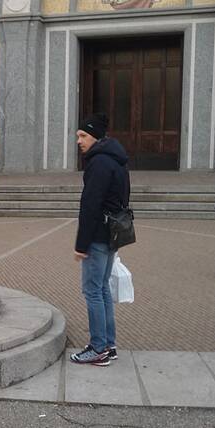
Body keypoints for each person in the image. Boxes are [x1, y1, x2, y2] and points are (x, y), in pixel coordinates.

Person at [71, 112, 130, 367]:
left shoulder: (98, 163)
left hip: (97, 235)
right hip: (112, 233)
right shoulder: (116, 159)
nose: (79, 141)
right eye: (77, 136)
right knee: (103, 288)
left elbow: (90, 205)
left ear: (95, 136)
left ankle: (98, 348)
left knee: (92, 290)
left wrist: (81, 245)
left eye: (83, 135)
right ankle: (108, 344)